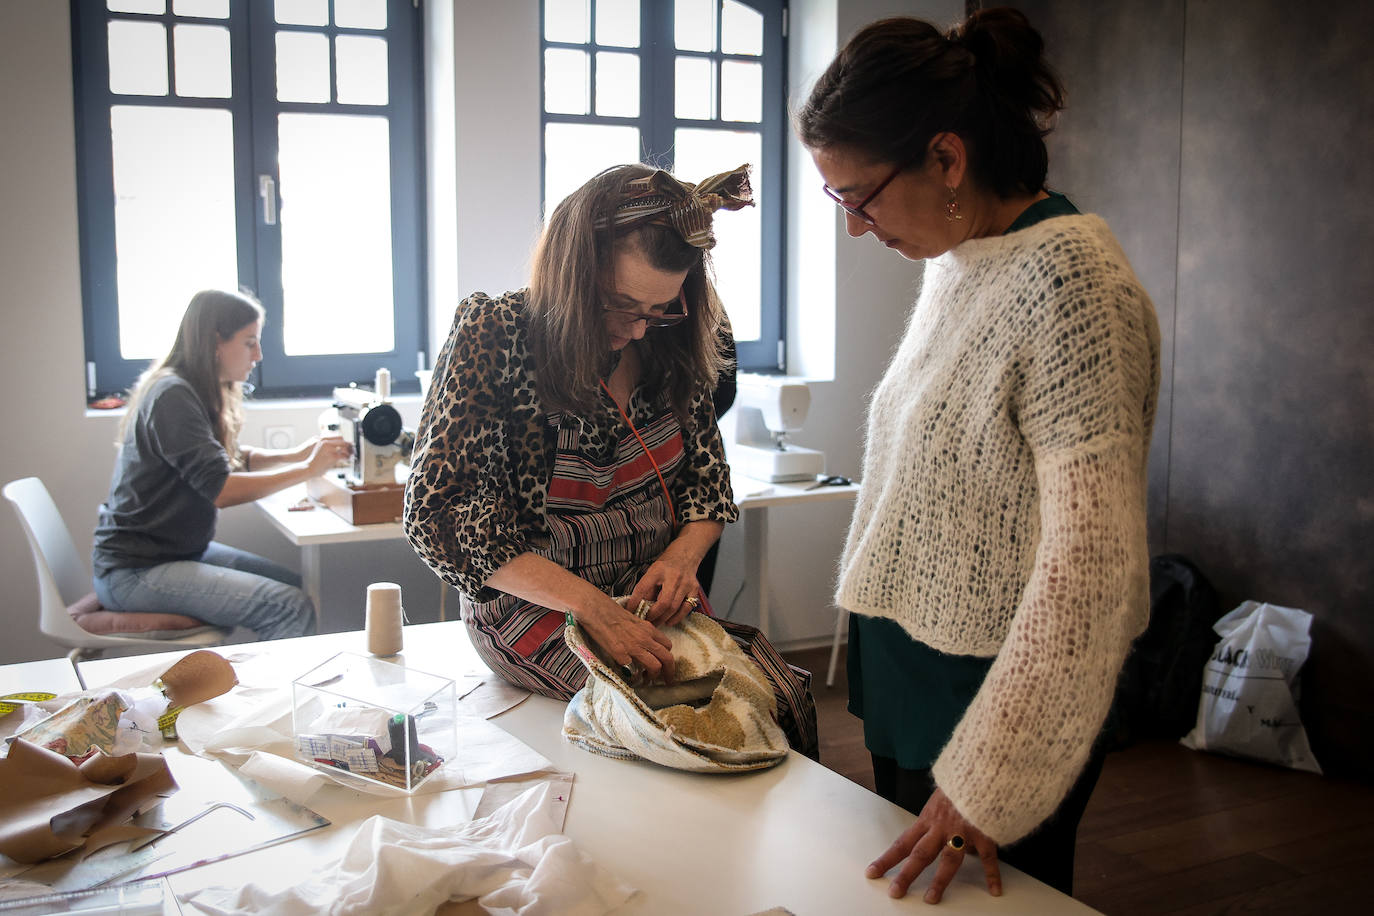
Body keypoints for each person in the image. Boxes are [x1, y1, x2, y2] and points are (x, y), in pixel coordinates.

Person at [797, 8, 1160, 904]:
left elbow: (1092, 566)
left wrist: (993, 771)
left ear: (948, 160)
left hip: (999, 695)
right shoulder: (964, 260)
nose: (854, 227)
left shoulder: (1075, 287)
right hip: (913, 670)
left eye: (858, 197)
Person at [404, 163, 817, 756]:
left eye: (657, 309)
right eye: (620, 305)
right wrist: (594, 608)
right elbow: (436, 518)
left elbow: (708, 485)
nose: (637, 329)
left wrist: (681, 560)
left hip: (645, 598)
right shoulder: (496, 335)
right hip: (536, 605)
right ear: (573, 275)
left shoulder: (673, 341)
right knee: (675, 721)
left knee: (778, 694)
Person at [93, 289, 353, 641]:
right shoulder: (173, 395)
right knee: (289, 606)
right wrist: (309, 468)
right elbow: (221, 489)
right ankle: (276, 696)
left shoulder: (188, 388)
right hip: (135, 570)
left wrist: (297, 454)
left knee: (294, 586)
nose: (258, 355)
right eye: (249, 343)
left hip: (171, 553)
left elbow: (226, 458)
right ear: (215, 341)